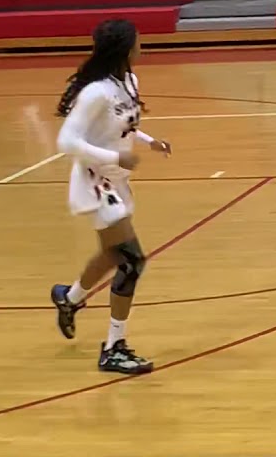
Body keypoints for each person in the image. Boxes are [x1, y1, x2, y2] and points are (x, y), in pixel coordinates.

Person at [49, 19, 172, 375]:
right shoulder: (95, 92)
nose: (142, 44)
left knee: (111, 253)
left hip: (116, 181)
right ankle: (114, 348)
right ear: (124, 47)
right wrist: (114, 157)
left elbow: (122, 124)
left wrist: (150, 141)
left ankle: (68, 299)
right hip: (95, 180)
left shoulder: (128, 81)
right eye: (138, 40)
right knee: (131, 260)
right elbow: (67, 142)